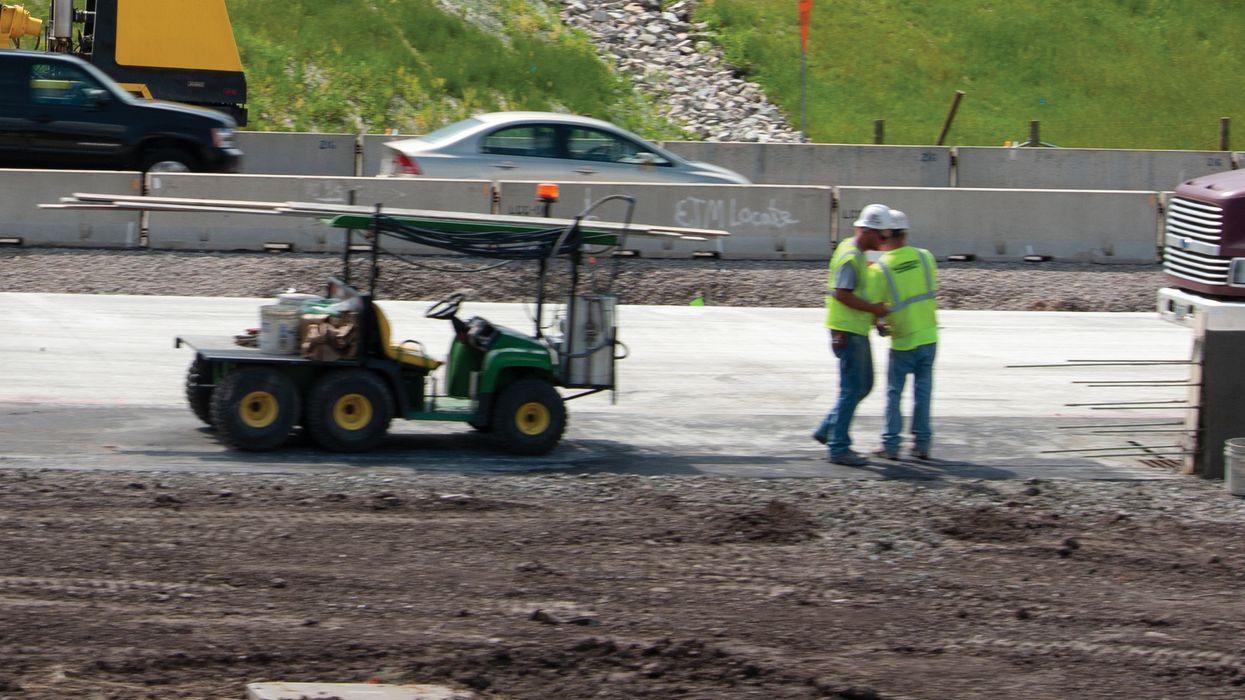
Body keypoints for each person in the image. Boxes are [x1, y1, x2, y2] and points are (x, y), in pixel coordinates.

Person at [813, 204, 892, 466]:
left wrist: (874, 317)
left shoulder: (856, 252)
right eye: (881, 236)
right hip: (846, 332)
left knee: (864, 385)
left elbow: (858, 292)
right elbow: (843, 294)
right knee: (852, 389)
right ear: (868, 231)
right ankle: (839, 447)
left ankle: (828, 428)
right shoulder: (849, 256)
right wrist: (875, 310)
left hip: (856, 329)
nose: (884, 242)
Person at [870, 209, 939, 460]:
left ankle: (891, 444)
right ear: (905, 233)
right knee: (923, 392)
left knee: (894, 392)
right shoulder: (925, 257)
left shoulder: (882, 267)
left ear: (886, 234)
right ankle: (922, 444)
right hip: (929, 335)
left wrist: (879, 324)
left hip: (903, 340)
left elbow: (877, 307)